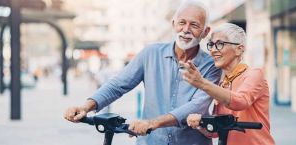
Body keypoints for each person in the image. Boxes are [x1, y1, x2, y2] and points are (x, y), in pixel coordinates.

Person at [64, 0, 221, 145]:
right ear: (173, 24)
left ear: (205, 32)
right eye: (182, 23)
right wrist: (86, 107)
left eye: (194, 25)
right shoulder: (150, 53)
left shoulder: (211, 66)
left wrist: (153, 123)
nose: (186, 30)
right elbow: (118, 84)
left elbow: (196, 106)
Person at [183, 23, 275, 145]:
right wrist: (200, 123)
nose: (213, 50)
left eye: (220, 44)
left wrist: (202, 83)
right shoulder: (223, 85)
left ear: (239, 49)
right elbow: (216, 131)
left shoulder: (254, 74)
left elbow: (240, 101)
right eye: (211, 45)